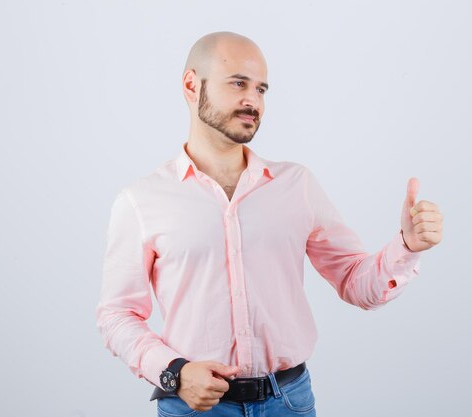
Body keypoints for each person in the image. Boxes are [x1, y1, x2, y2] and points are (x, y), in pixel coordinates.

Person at [95, 31, 444, 417]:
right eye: (238, 83)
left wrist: (406, 247)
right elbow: (117, 315)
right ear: (192, 85)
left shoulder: (296, 186)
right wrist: (174, 373)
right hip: (195, 407)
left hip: (289, 401)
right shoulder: (142, 200)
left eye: (261, 89)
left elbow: (355, 282)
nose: (253, 101)